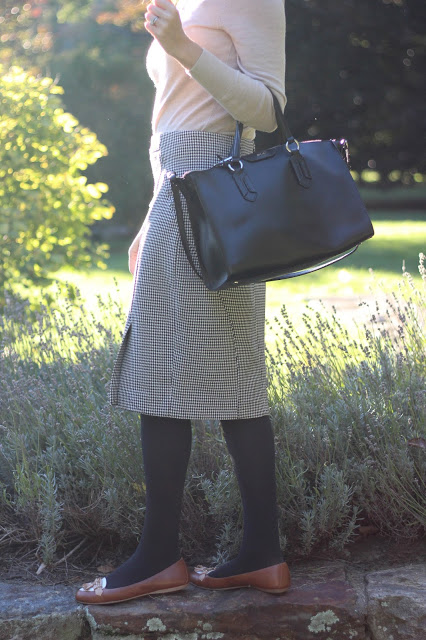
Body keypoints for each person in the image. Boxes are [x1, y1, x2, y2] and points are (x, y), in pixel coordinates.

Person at [76, 0, 291, 605]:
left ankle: (160, 556)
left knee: (168, 371)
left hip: (218, 190)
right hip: (177, 187)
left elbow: (268, 111)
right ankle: (261, 553)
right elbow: (169, 116)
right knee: (226, 376)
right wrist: (152, 209)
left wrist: (183, 47)